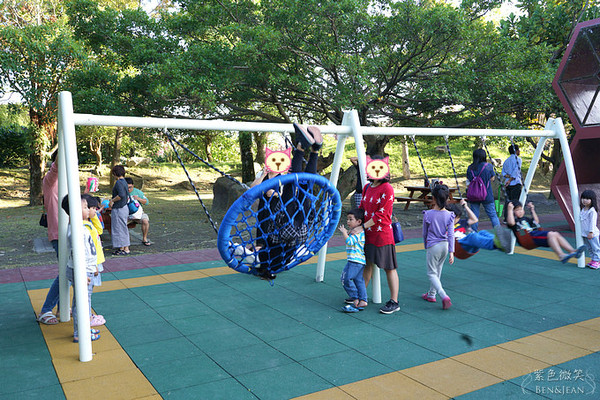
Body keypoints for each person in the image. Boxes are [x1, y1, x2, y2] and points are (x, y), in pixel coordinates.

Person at [249, 123, 323, 280]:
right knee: (301, 185)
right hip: (288, 224)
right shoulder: (276, 258)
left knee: (304, 186)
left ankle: (312, 148)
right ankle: (306, 148)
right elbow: (253, 189)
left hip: (294, 227)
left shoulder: (280, 261)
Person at [360, 155, 400, 314]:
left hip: (382, 234)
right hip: (368, 234)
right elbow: (362, 207)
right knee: (367, 264)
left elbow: (382, 215)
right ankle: (361, 296)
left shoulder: (387, 188)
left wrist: (362, 226)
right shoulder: (367, 187)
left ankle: (394, 301)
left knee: (389, 267)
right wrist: (355, 222)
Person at [61, 194, 101, 342]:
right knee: (82, 303)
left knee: (85, 301)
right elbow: (79, 254)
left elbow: (88, 250)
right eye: (85, 207)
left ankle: (84, 328)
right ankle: (80, 332)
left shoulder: (81, 227)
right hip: (80, 271)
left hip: (85, 269)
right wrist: (82, 273)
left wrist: (93, 265)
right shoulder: (76, 231)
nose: (88, 209)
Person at [506, 200, 585, 263]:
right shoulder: (514, 221)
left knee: (555, 234)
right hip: (527, 238)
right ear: (513, 212)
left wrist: (532, 210)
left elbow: (536, 221)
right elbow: (511, 222)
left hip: (534, 236)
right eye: (517, 210)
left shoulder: (525, 219)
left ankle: (572, 251)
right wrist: (509, 209)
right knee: (551, 234)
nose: (520, 211)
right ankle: (561, 255)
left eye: (521, 209)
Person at [37, 152, 61, 325]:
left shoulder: (69, 180)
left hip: (72, 232)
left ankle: (61, 307)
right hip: (58, 234)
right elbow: (57, 167)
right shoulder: (50, 180)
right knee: (67, 273)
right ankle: (46, 309)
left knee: (70, 272)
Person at [422, 183, 454, 310]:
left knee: (431, 273)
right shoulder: (450, 215)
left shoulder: (428, 214)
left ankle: (443, 295)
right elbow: (451, 234)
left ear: (433, 198)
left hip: (433, 245)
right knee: (438, 270)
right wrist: (452, 251)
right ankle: (431, 294)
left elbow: (424, 232)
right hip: (445, 245)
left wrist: (426, 245)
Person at [447, 200, 512, 254]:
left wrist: (466, 207)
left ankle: (499, 243)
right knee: (472, 236)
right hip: (459, 247)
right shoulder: (443, 225)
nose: (456, 220)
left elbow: (475, 219)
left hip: (468, 243)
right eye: (455, 218)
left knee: (482, 232)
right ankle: (496, 244)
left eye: (458, 218)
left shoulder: (461, 222)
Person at [82, 195, 106, 327]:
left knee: (88, 291)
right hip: (92, 263)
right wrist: (94, 264)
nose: (94, 210)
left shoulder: (89, 223)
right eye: (90, 208)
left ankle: (86, 315)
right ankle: (87, 318)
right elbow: (87, 249)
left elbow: (100, 230)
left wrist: (94, 216)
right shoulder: (84, 227)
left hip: (94, 262)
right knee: (87, 292)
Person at [339, 209, 367, 312]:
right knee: (359, 280)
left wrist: (344, 232)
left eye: (351, 219)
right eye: (347, 219)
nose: (348, 222)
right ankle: (363, 300)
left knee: (345, 278)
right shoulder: (357, 232)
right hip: (360, 261)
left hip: (354, 261)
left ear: (359, 222)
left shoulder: (358, 233)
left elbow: (349, 242)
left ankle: (355, 298)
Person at [466, 148, 499, 231]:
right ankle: (499, 233)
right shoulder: (488, 166)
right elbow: (492, 179)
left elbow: (469, 179)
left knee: (474, 215)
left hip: (474, 194)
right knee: (492, 215)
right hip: (487, 194)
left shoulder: (470, 168)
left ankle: (474, 234)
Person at [109, 165, 130, 256]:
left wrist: (112, 200)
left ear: (115, 173)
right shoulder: (124, 181)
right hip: (124, 207)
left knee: (119, 228)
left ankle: (124, 248)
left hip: (119, 208)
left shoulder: (118, 183)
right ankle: (123, 247)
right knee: (123, 227)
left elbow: (121, 195)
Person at [125, 177, 152, 246]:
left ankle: (144, 238)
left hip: (138, 214)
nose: (128, 189)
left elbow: (146, 202)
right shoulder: (122, 192)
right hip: (126, 214)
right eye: (126, 187)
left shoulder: (138, 192)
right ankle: (124, 242)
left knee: (145, 220)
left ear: (133, 186)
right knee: (121, 223)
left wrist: (138, 198)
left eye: (130, 187)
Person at [580, 190, 600, 269]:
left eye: (587, 199)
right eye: (583, 198)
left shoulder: (592, 211)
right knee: (589, 248)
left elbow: (592, 222)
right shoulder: (583, 209)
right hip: (585, 234)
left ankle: (597, 261)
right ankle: (593, 260)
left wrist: (591, 232)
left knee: (595, 248)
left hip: (592, 234)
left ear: (592, 200)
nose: (584, 200)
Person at [502, 144, 522, 219]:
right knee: (515, 201)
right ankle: (514, 218)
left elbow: (503, 173)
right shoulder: (518, 159)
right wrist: (511, 179)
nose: (519, 151)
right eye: (518, 149)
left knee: (508, 201)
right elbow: (516, 172)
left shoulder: (506, 161)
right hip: (515, 183)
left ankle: (506, 217)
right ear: (516, 151)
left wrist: (508, 178)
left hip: (508, 184)